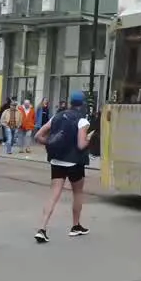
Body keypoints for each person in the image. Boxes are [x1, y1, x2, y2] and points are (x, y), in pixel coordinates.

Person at [34, 91, 94, 243]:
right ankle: (76, 226)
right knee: (78, 193)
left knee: (53, 195)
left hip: (57, 161)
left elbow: (38, 136)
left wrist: (49, 144)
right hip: (75, 162)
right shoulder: (82, 120)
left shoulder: (57, 116)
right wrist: (90, 139)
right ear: (83, 104)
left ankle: (42, 228)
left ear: (69, 102)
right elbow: (81, 145)